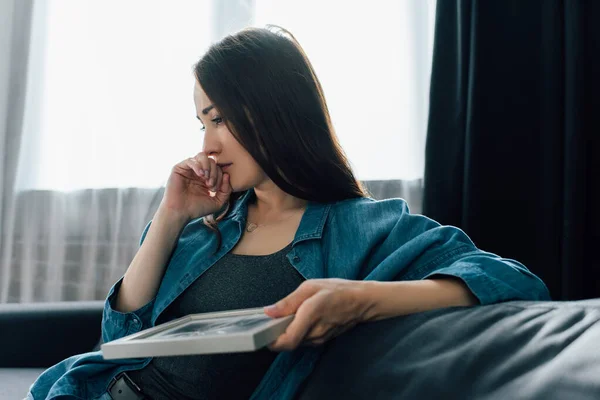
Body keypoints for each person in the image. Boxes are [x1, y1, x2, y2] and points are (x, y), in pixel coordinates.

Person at [27, 25, 550, 400]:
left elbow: (513, 282)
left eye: (220, 119)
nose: (207, 145)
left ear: (276, 108)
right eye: (199, 124)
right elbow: (117, 341)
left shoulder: (365, 226)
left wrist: (361, 300)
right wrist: (169, 216)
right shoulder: (202, 228)